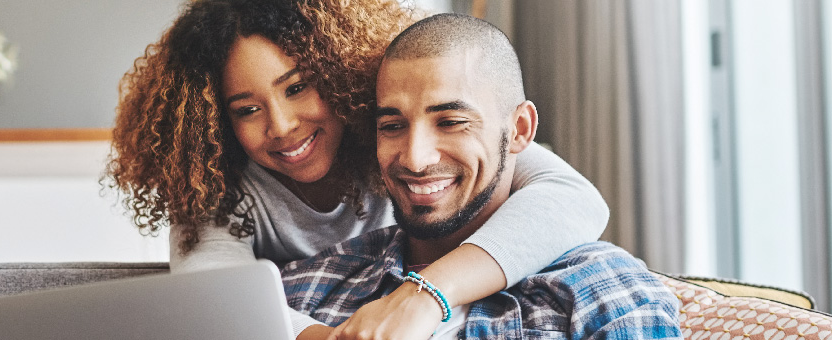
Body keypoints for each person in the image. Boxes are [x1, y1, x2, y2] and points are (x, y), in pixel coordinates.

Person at [106, 0, 609, 339]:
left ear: (338, 70)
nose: (281, 126)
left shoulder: (399, 138)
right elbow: (212, 296)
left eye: (297, 87)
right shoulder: (216, 185)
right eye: (246, 109)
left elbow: (574, 198)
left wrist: (426, 295)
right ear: (214, 121)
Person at [282, 13, 681, 339]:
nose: (416, 159)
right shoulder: (308, 286)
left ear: (520, 130)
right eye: (392, 125)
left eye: (452, 122)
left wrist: (426, 296)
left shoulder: (603, 294)